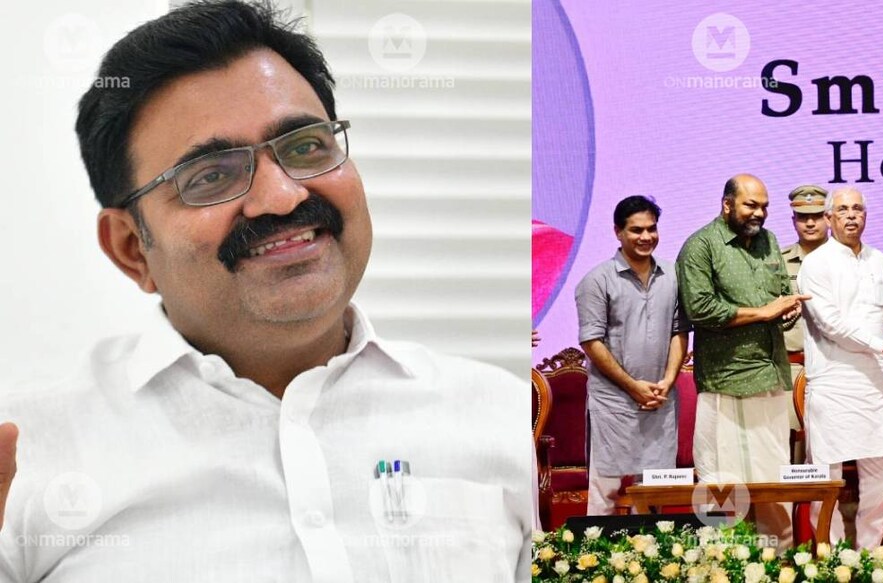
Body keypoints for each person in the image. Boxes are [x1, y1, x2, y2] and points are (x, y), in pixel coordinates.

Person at [0, 2, 530, 581]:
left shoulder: (508, 423)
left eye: (305, 147)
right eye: (211, 176)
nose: (282, 196)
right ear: (132, 248)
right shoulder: (31, 459)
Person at [676, 174, 809, 548]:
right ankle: (725, 563)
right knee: (721, 487)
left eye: (764, 206)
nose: (760, 213)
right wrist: (766, 312)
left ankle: (780, 562)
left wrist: (787, 311)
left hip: (769, 378)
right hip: (725, 383)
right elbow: (701, 309)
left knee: (773, 483)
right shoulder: (701, 246)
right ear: (727, 204)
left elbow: (783, 294)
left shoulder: (768, 242)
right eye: (751, 204)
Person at [798, 187, 883, 549]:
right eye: (843, 209)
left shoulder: (878, 259)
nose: (851, 215)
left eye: (858, 209)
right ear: (829, 218)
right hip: (834, 382)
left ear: (866, 215)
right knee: (827, 478)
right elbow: (831, 324)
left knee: (881, 474)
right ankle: (828, 556)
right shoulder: (816, 264)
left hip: (875, 383)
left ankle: (868, 553)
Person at [575, 196, 688, 515]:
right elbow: (592, 341)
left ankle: (651, 563)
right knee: (605, 492)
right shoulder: (596, 280)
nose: (646, 237)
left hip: (660, 401)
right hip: (614, 403)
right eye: (636, 230)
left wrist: (666, 382)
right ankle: (593, 562)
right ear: (618, 232)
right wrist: (632, 386)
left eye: (652, 229)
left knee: (654, 492)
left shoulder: (674, 274)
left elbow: (679, 331)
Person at [780, 184, 829, 464]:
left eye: (817, 215)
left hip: (834, 367)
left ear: (829, 217)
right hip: (793, 368)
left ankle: (835, 511)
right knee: (790, 457)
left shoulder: (846, 260)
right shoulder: (777, 262)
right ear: (793, 220)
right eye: (802, 216)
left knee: (835, 452)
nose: (810, 222)